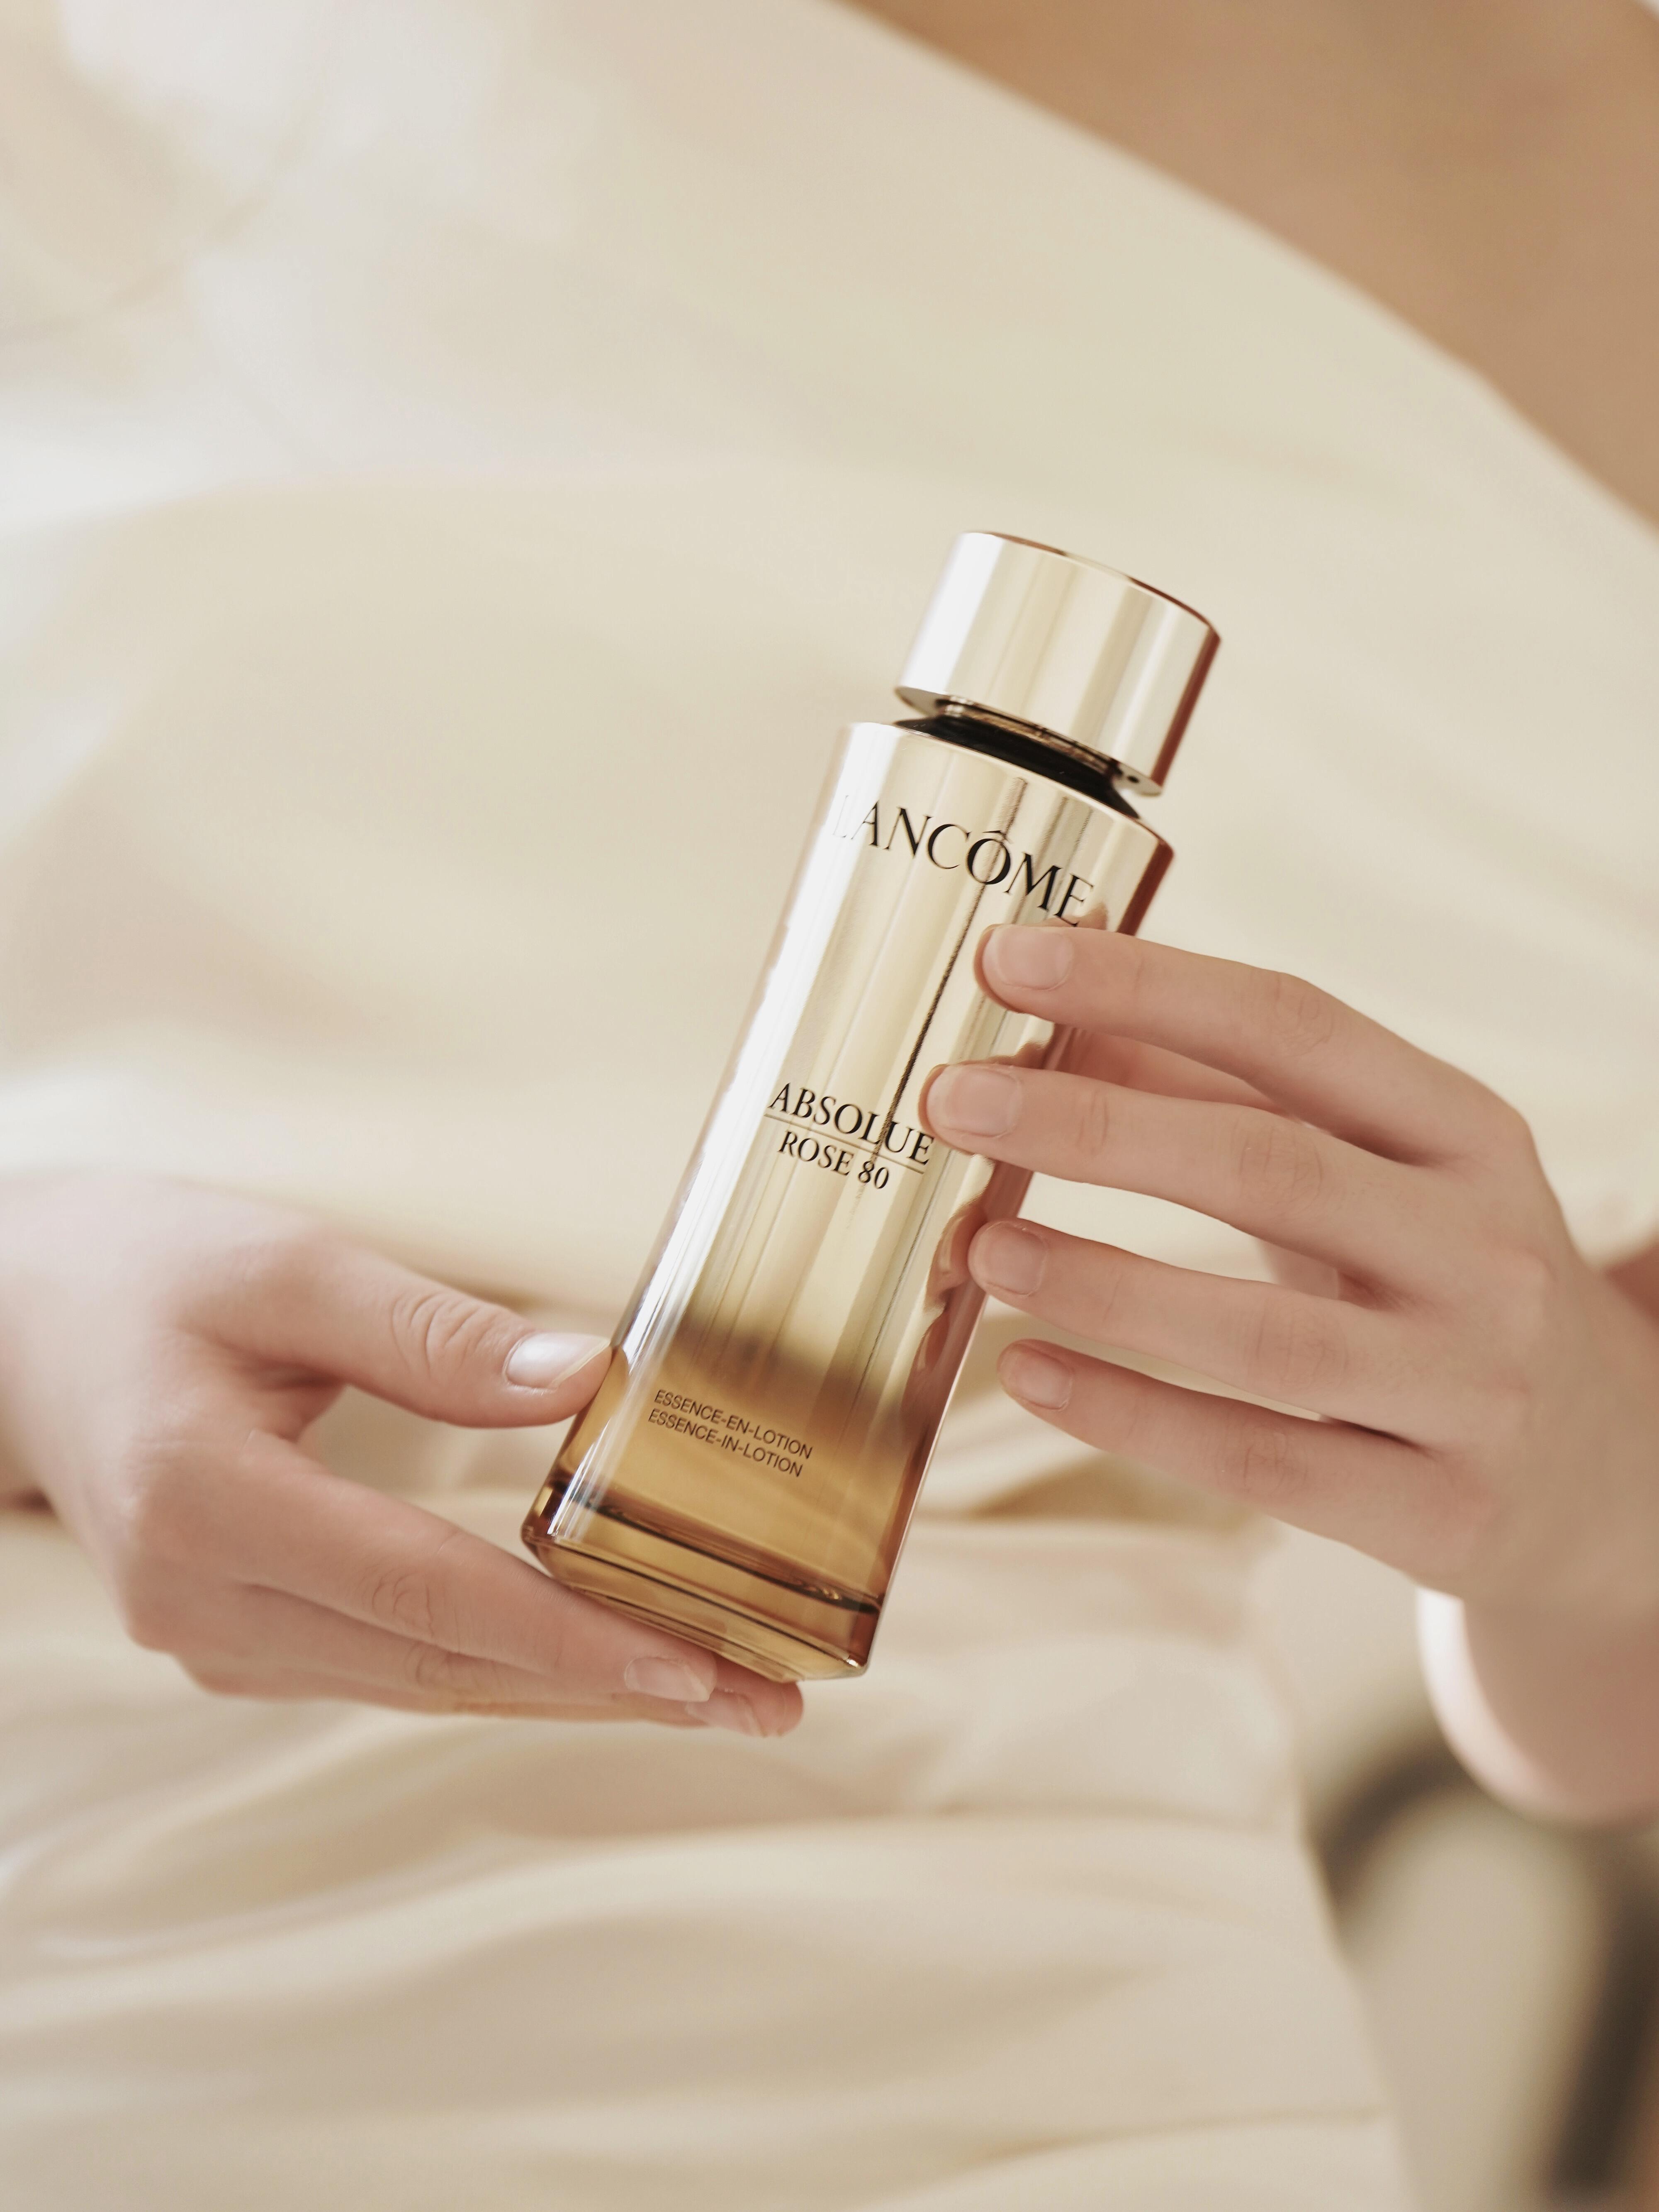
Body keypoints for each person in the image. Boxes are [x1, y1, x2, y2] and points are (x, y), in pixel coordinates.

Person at [1, 1, 1655, 2203]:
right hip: (84, 1952)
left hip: (1021, 2068)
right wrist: (28, 1313)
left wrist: (1595, 1484)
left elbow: (1607, 1697)